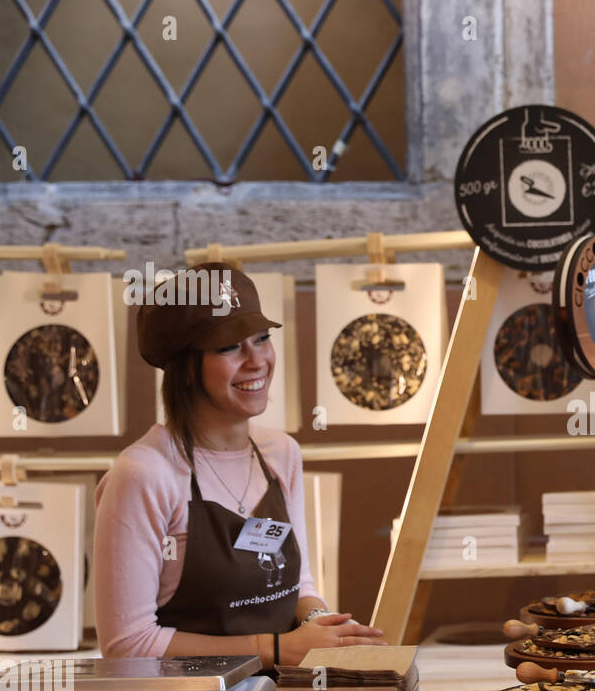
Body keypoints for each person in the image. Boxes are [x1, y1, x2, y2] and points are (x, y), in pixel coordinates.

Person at [94, 263, 385, 668]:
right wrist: (275, 650)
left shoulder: (281, 454)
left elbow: (297, 585)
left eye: (262, 339)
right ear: (185, 369)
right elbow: (128, 643)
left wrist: (323, 627)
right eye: (229, 347)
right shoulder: (145, 474)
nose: (257, 361)